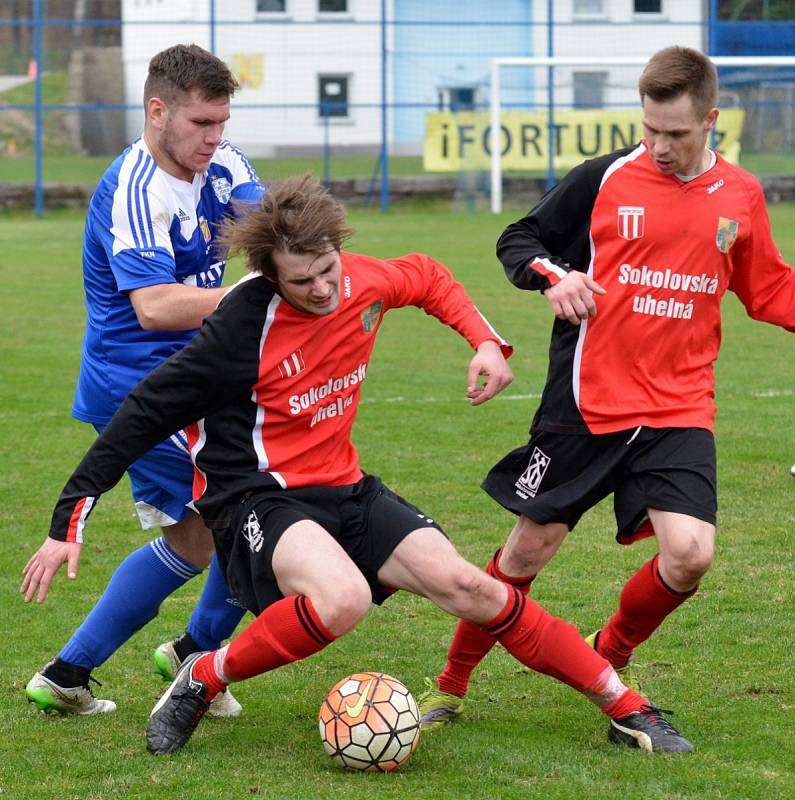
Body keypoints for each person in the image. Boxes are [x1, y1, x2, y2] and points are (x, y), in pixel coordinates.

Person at [22, 176, 693, 756]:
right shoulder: (238, 330)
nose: (320, 290)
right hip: (258, 498)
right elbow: (139, 416)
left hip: (343, 486)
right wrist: (67, 522)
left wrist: (484, 342)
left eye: (327, 272)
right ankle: (204, 677)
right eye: (300, 281)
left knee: (472, 587)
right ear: (268, 275)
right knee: (339, 599)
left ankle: (625, 707)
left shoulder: (361, 278)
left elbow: (428, 275)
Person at [418, 46, 795, 745]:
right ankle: (449, 686)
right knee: (527, 552)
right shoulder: (604, 178)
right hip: (586, 402)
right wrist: (552, 276)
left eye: (676, 134)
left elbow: (769, 287)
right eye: (648, 128)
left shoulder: (739, 196)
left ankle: (610, 653)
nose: (657, 146)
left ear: (711, 120)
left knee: (690, 556)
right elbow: (518, 238)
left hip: (679, 407)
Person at [23, 44, 265, 717]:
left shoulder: (224, 162)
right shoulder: (132, 189)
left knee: (232, 523)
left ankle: (101, 669)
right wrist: (257, 292)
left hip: (202, 377)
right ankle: (182, 659)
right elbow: (155, 307)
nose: (214, 139)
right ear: (157, 112)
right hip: (141, 386)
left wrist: (317, 261)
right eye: (200, 124)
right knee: (235, 523)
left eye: (221, 123)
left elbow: (277, 228)